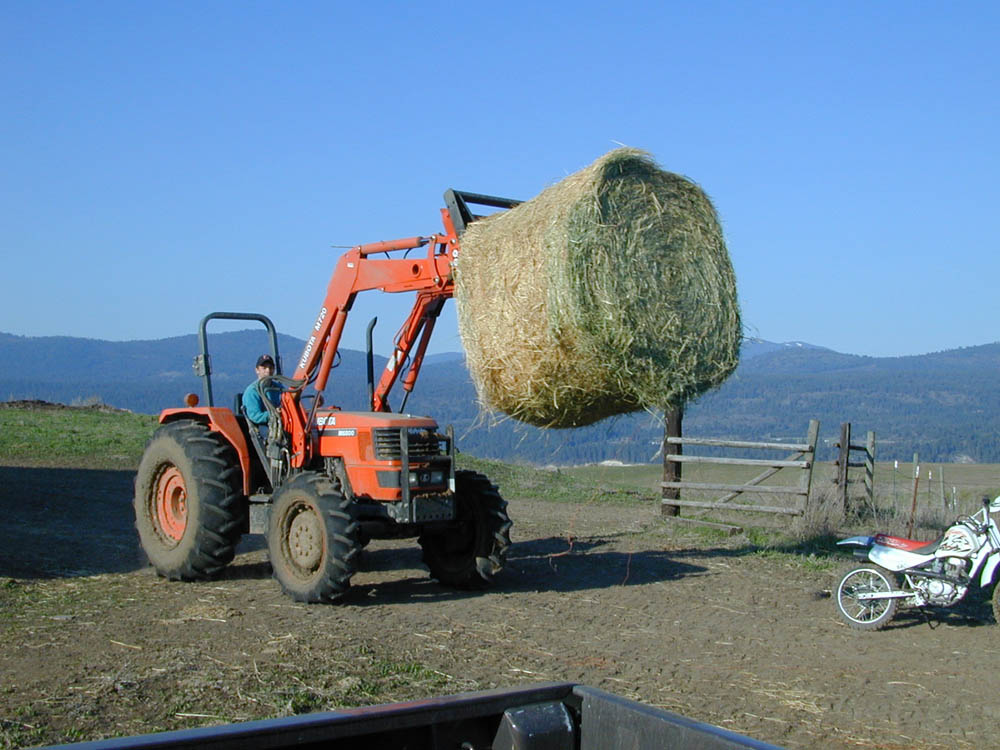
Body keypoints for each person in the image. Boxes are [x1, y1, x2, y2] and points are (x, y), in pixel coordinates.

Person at [243, 354, 281, 440]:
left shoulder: (279, 388)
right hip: (263, 427)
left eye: (270, 367)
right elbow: (255, 416)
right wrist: (275, 413)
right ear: (257, 370)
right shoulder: (252, 391)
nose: (268, 370)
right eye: (264, 368)